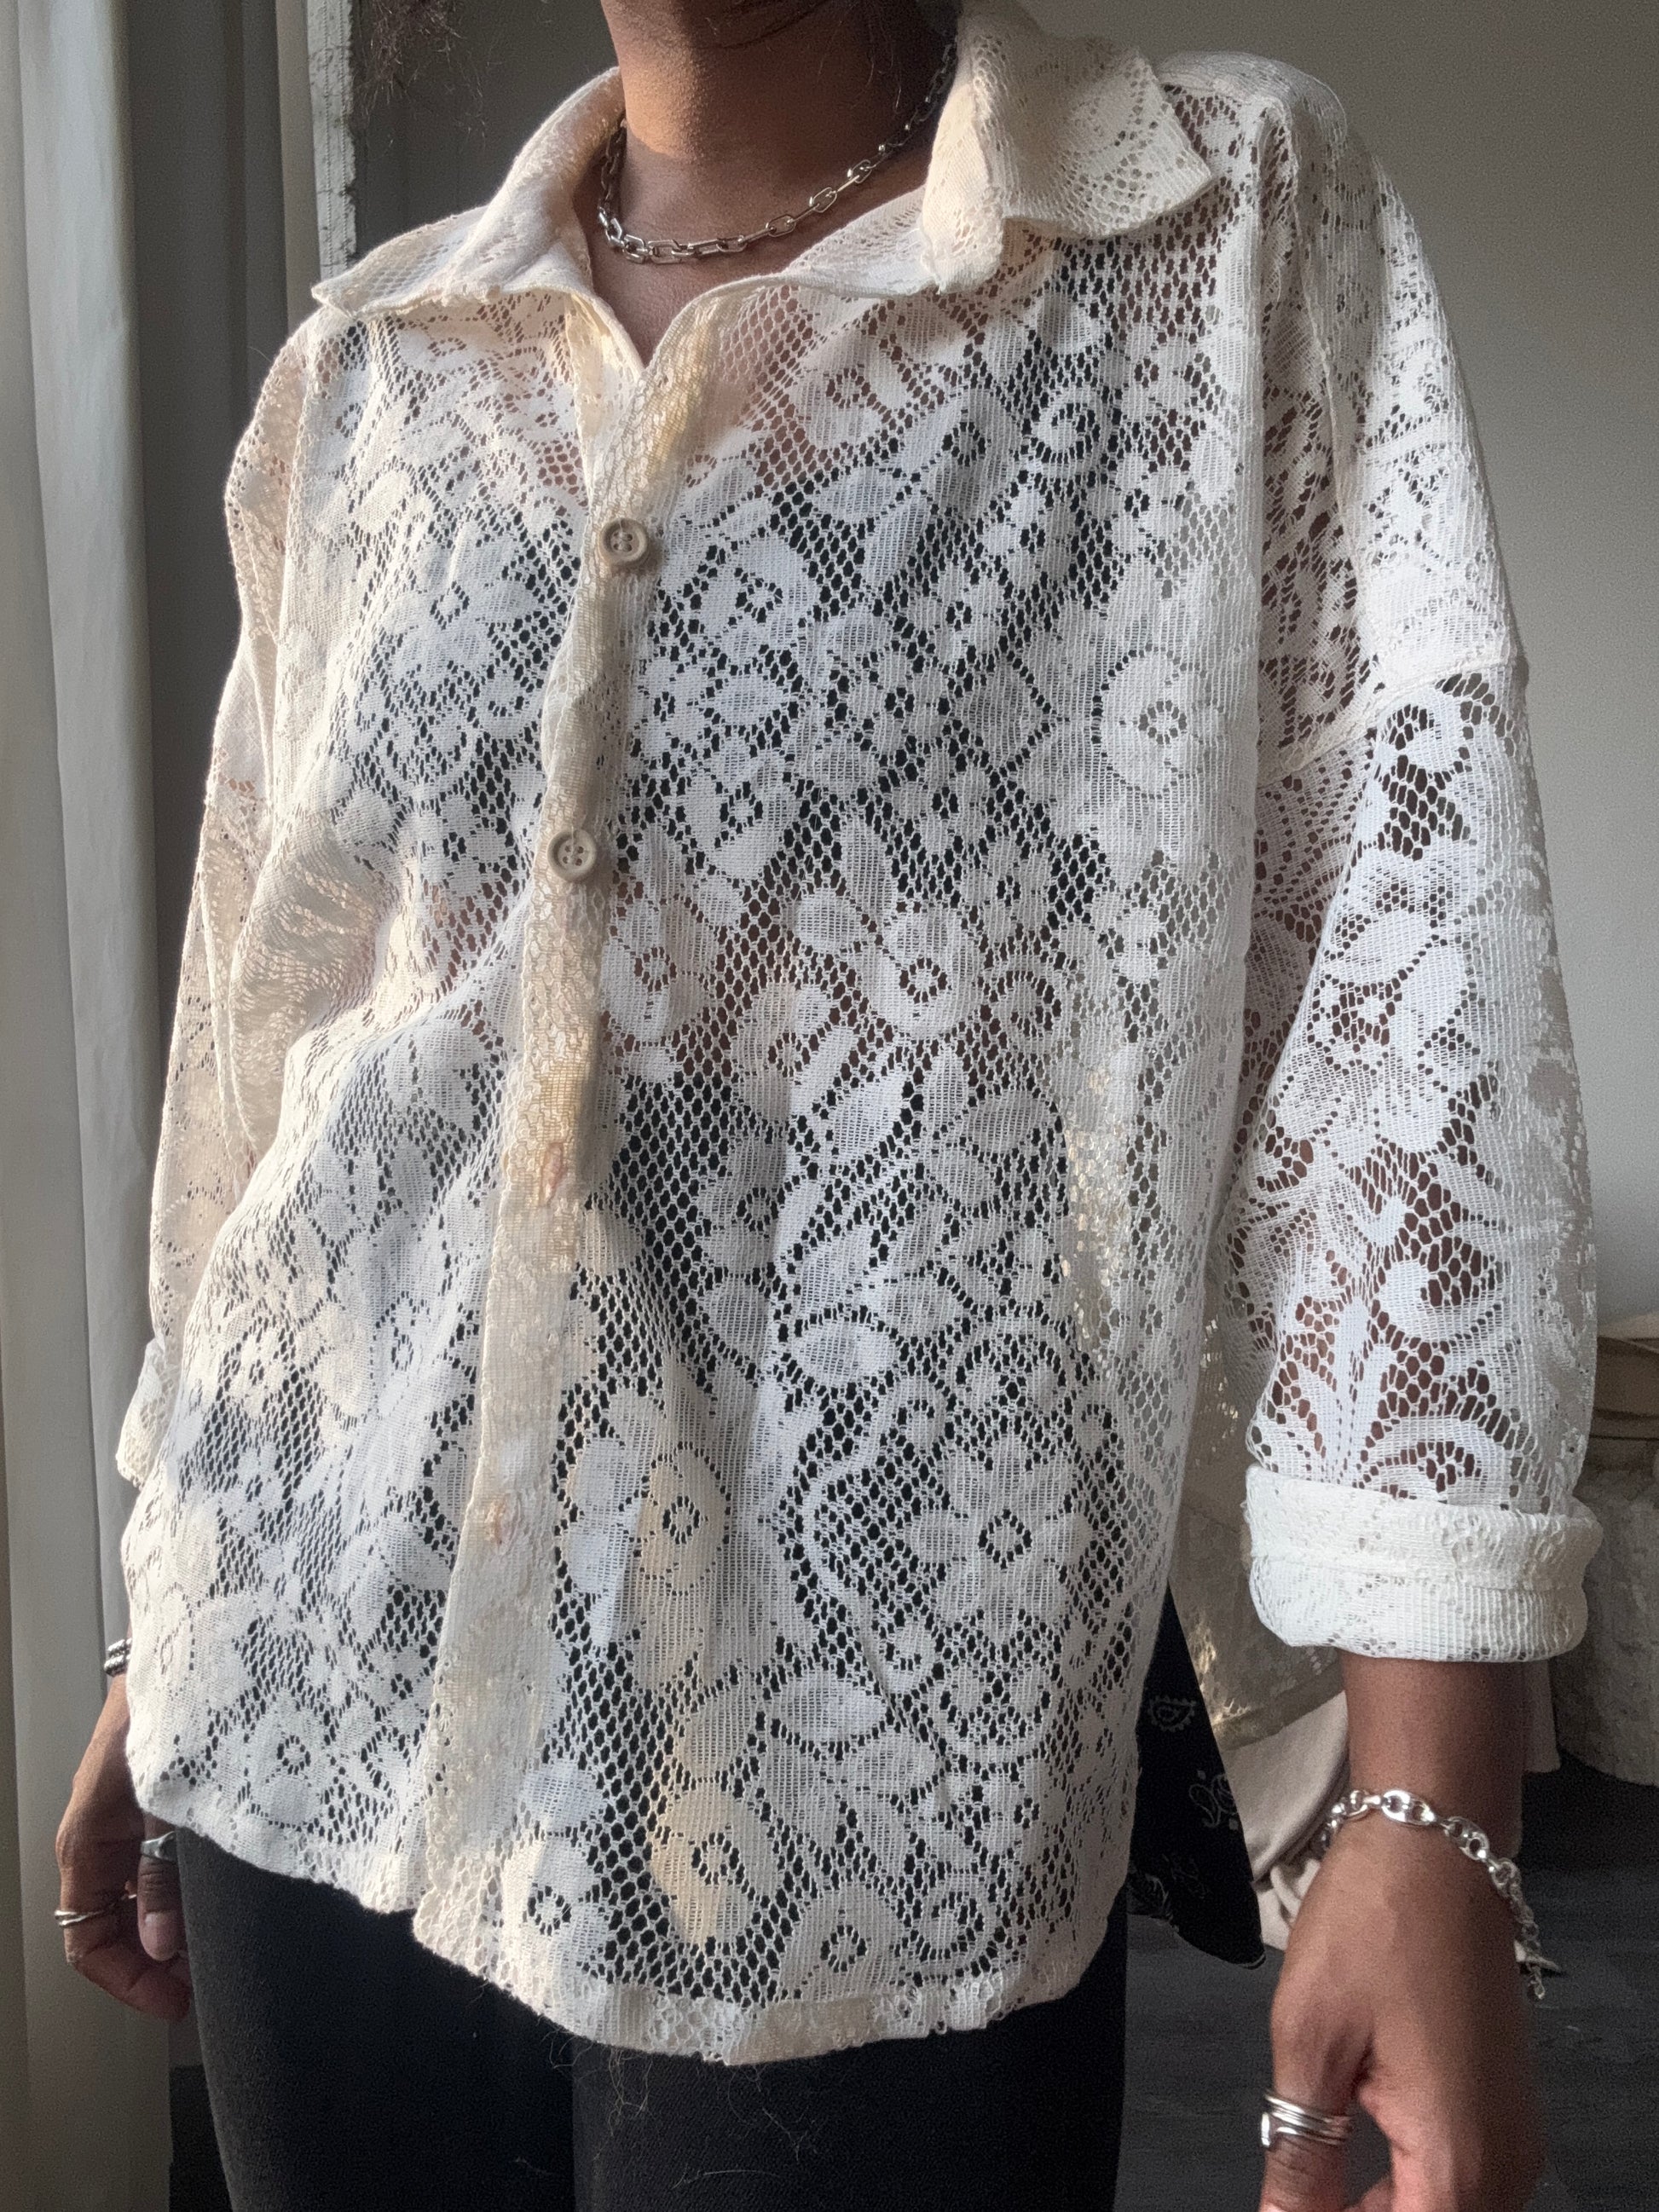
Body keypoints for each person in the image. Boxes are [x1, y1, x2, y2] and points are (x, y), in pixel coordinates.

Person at [55, 2, 1600, 2206]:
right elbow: (268, 1050)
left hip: (866, 1717)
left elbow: (1401, 1007)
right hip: (309, 1646)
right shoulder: (376, 365)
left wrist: (1428, 1810)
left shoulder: (1209, 223)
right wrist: (162, 1625)